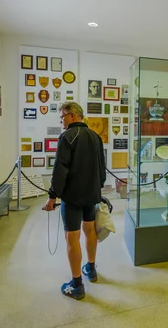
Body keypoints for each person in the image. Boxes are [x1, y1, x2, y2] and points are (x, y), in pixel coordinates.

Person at [44, 102, 106, 300]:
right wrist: (97, 188)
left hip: (72, 198)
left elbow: (60, 170)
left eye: (62, 117)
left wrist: (52, 195)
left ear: (72, 116)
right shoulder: (96, 137)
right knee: (90, 230)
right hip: (91, 195)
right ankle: (91, 268)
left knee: (72, 237)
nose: (61, 121)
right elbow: (102, 169)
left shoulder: (67, 137)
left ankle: (77, 284)